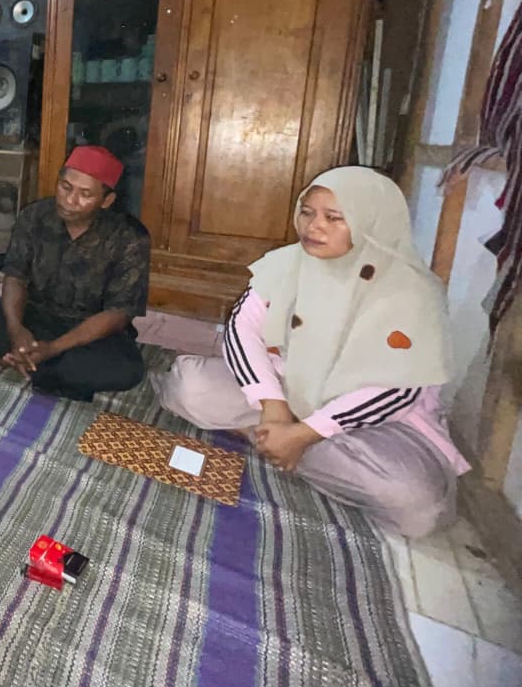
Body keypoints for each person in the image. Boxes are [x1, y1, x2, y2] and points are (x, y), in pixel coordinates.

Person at [151, 166, 469, 538]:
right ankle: (280, 439)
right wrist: (272, 404)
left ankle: (276, 441)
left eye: (334, 217)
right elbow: (242, 329)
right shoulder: (286, 266)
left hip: (373, 423)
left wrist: (305, 433)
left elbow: (396, 391)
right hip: (285, 392)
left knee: (418, 508)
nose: (314, 226)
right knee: (188, 387)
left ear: (372, 223)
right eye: (307, 212)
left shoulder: (411, 293)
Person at [0, 145, 150, 400]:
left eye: (85, 194)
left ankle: (15, 361)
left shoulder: (130, 237)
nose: (70, 200)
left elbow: (118, 314)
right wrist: (16, 330)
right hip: (36, 317)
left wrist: (54, 348)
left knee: (128, 370)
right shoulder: (33, 216)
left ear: (106, 201)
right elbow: (15, 276)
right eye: (66, 187)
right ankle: (37, 363)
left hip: (89, 332)